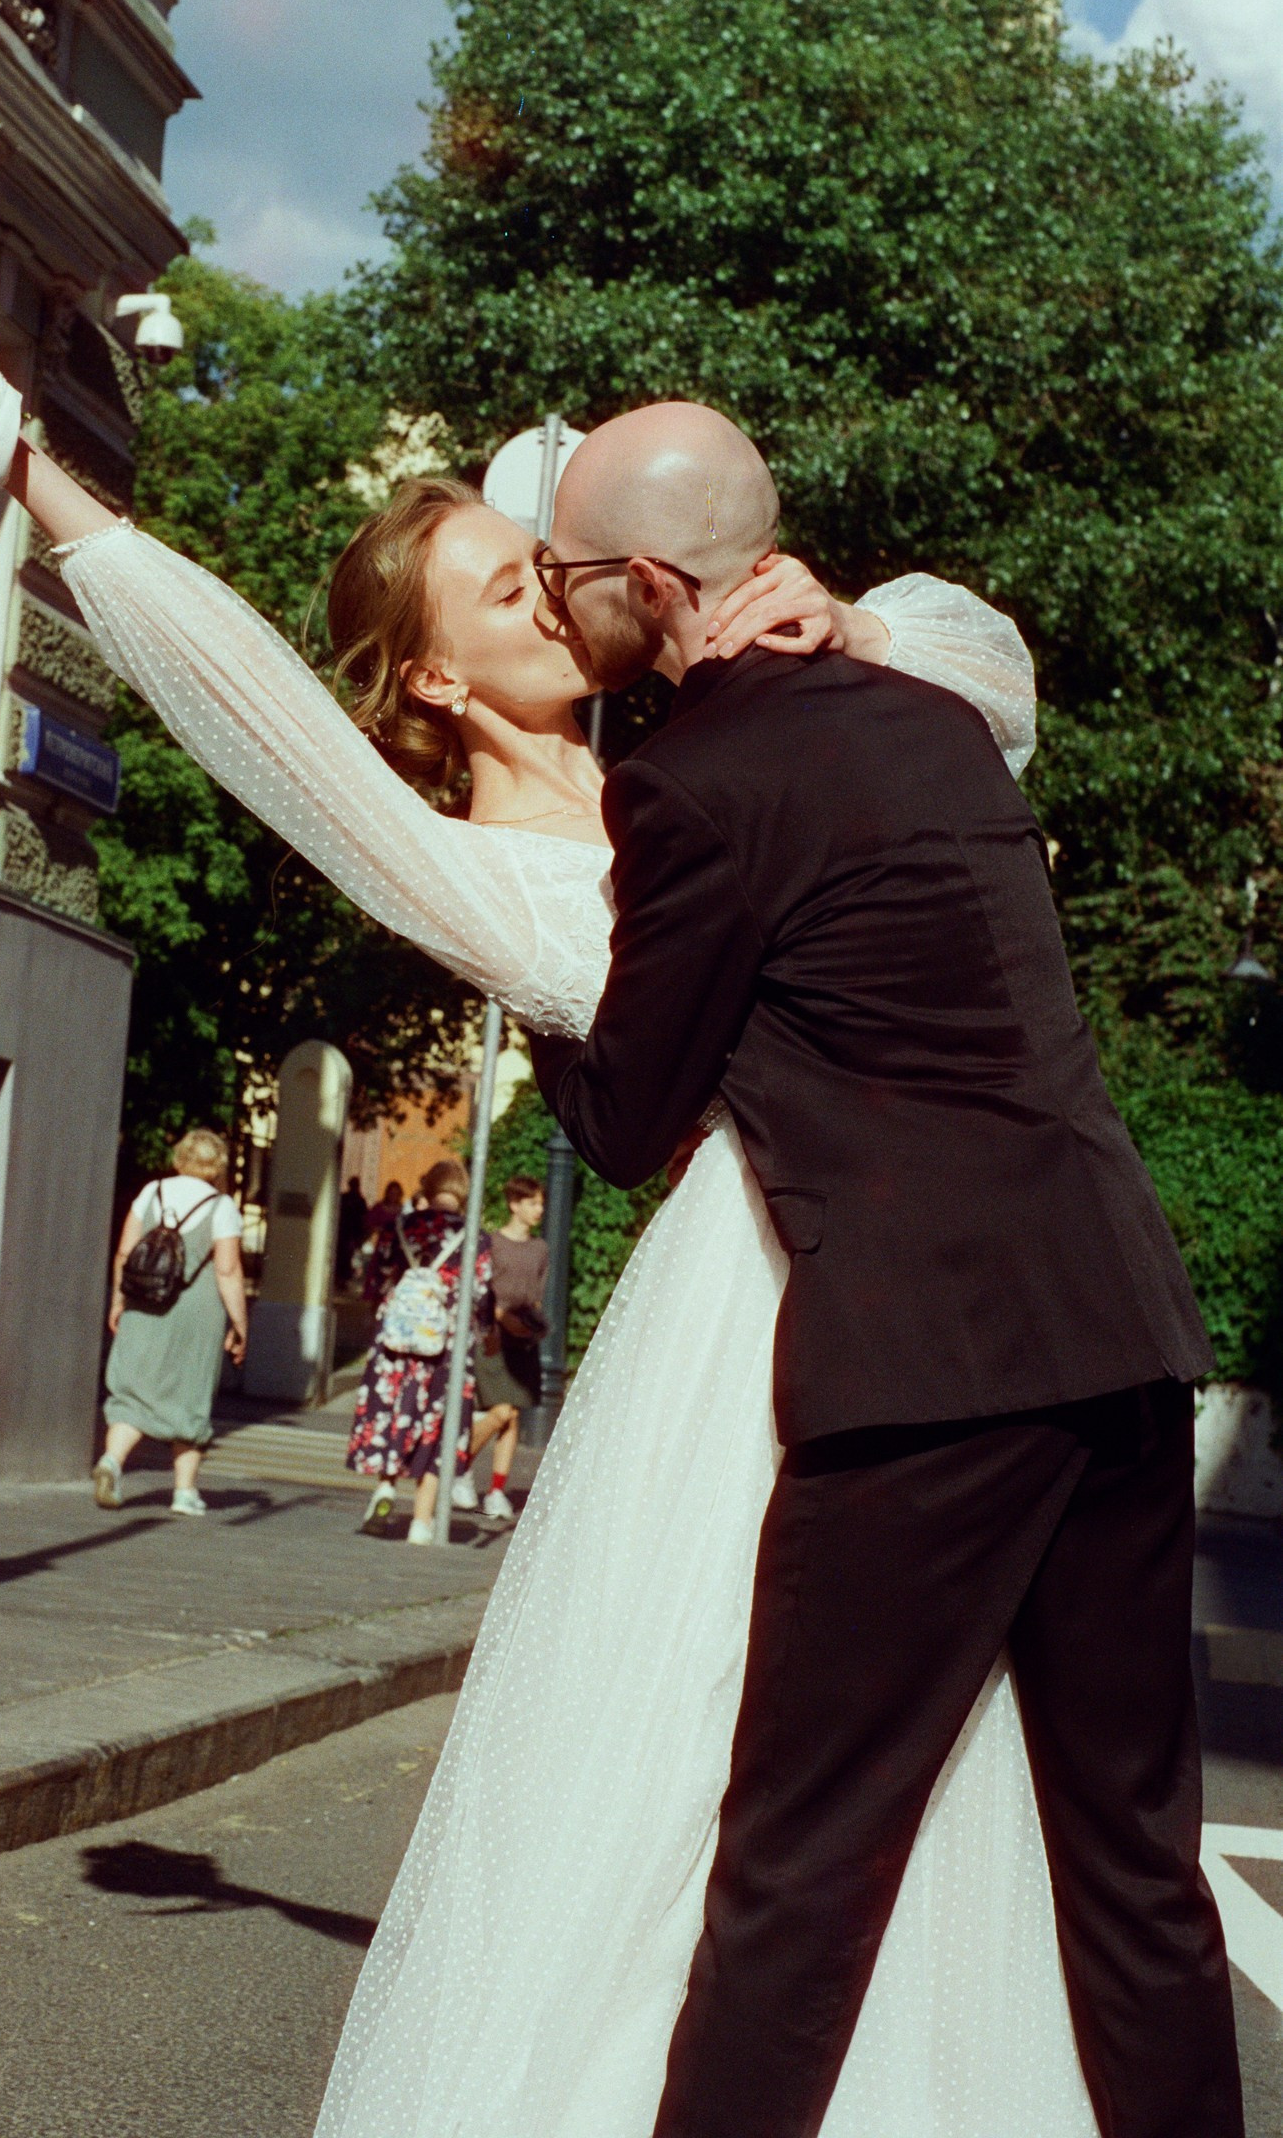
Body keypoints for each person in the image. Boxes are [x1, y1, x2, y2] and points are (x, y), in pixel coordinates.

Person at [0, 428, 1104, 2134]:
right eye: (502, 585)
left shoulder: (710, 740)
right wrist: (35, 482)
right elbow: (257, 706)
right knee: (693, 1780)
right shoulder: (475, 871)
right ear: (435, 671)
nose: (545, 590)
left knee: (907, 1778)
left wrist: (840, 622)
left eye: (544, 563)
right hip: (744, 1326)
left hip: (874, 1297)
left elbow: (991, 689)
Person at [532, 402, 1236, 2138]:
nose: (553, 612)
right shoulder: (932, 728)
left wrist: (538, 985)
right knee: (1137, 1866)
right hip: (1121, 1330)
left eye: (562, 581)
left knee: (793, 1871)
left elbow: (628, 1115)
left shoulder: (685, 782)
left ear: (642, 582)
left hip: (925, 1377)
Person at [94, 1127, 249, 1519]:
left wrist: (118, 1300)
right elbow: (227, 1271)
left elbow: (125, 1252)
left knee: (132, 1394)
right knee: (189, 1397)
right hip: (195, 1315)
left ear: (179, 1158)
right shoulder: (222, 1207)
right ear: (217, 1167)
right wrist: (240, 1324)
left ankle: (112, 1461)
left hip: (142, 1304)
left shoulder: (151, 1192)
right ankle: (184, 1492)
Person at [350, 1159, 486, 1544]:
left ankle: (386, 1488)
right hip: (445, 1348)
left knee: (396, 1413)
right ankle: (422, 1522)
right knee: (435, 1426)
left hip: (396, 1345)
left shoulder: (399, 1228)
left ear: (427, 1188)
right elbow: (479, 1296)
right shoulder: (474, 1237)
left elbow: (376, 1281)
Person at [467, 1173, 549, 1520]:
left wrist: (535, 1326)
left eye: (541, 1203)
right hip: (494, 1339)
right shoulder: (493, 1244)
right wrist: (500, 1318)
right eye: (532, 1203)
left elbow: (536, 1295)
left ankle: (497, 1490)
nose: (539, 1210)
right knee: (502, 1411)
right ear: (514, 1205)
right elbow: (481, 1291)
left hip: (523, 1341)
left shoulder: (540, 1249)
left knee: (511, 1417)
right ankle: (457, 1465)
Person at [335, 1173, 371, 1288]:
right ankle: (339, 1280)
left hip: (353, 1233)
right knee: (342, 1257)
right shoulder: (345, 1198)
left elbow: (364, 1218)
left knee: (349, 1257)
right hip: (343, 1232)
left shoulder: (360, 1201)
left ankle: (344, 1280)